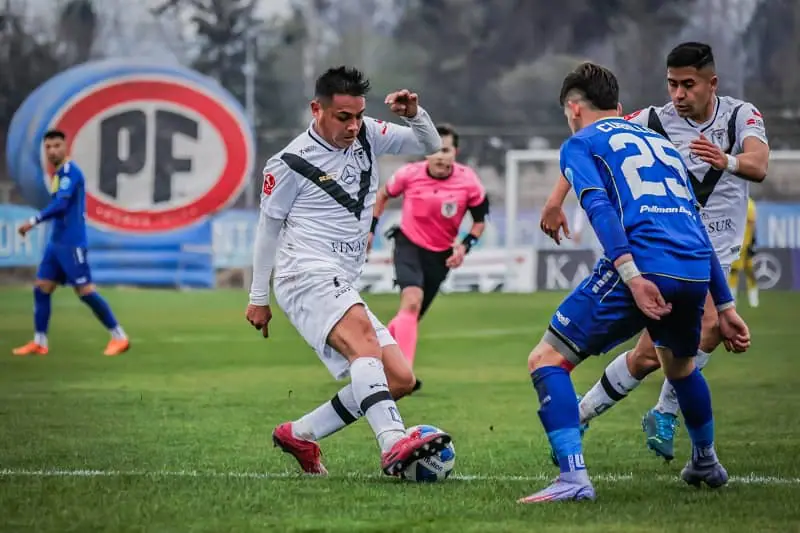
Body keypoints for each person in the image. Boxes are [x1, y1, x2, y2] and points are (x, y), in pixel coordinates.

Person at [519, 62, 750, 503]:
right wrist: (723, 306)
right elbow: (698, 228)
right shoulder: (661, 146)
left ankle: (572, 478)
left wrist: (632, 276)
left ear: (573, 108)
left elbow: (599, 209)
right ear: (619, 108)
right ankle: (705, 459)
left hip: (644, 265)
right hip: (694, 270)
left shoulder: (580, 142)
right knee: (680, 367)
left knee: (546, 359)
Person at [245, 66, 449, 478]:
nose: (353, 126)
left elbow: (429, 145)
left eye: (358, 115)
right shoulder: (288, 162)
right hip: (303, 274)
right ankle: (393, 441)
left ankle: (300, 434)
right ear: (316, 109)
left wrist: (414, 114)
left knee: (399, 378)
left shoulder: (369, 133)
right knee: (365, 347)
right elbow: (267, 230)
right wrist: (257, 297)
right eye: (343, 117)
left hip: (339, 277)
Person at [369, 124, 488, 388]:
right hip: (408, 245)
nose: (440, 156)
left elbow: (480, 221)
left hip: (441, 255)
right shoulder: (408, 174)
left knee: (409, 316)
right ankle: (405, 377)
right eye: (434, 150)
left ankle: (369, 355)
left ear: (454, 152)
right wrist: (369, 231)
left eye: (445, 150)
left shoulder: (469, 181)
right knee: (411, 302)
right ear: (426, 153)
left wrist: (464, 246)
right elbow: (381, 196)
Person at [13, 130, 130, 357]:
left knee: (85, 291)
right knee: (42, 288)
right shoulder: (59, 173)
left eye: (57, 146)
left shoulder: (70, 172)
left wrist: (33, 221)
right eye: (48, 147)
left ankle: (119, 336)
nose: (52, 151)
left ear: (66, 147)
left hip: (71, 243)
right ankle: (40, 342)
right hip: (56, 243)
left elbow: (61, 206)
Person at [728, 197, 759, 307]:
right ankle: (732, 298)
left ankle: (753, 297)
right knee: (734, 271)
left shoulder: (750, 204)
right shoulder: (735, 203)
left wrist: (753, 242)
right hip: (737, 245)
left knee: (750, 271)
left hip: (747, 245)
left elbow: (753, 226)